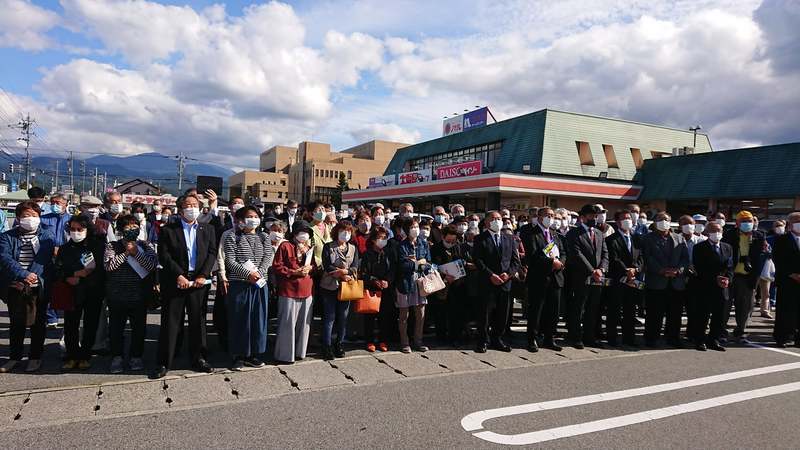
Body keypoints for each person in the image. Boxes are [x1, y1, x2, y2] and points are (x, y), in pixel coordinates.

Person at [155, 194, 218, 378]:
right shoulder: (168, 230)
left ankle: (199, 358)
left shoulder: (207, 229)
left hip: (199, 282)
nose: (192, 208)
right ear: (180, 210)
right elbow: (164, 255)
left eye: (195, 205)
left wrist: (203, 274)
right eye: (187, 205)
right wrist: (179, 275)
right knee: (171, 322)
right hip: (176, 281)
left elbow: (212, 253)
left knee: (198, 321)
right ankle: (164, 361)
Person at [0, 201, 56, 373]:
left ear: (39, 217)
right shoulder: (7, 236)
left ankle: (35, 357)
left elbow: (43, 259)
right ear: (18, 218)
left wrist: (32, 276)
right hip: (16, 285)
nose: (30, 219)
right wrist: (23, 275)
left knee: (38, 323)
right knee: (16, 324)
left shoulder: (47, 235)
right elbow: (5, 258)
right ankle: (14, 357)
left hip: (39, 285)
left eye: (34, 215)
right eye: (26, 216)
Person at [104, 214, 158, 373]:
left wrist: (136, 253)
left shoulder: (145, 245)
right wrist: (126, 253)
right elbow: (109, 266)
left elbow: (152, 265)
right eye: (128, 227)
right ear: (121, 229)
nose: (132, 229)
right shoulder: (112, 246)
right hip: (117, 295)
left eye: (135, 226)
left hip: (139, 295)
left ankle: (136, 356)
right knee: (116, 329)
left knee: (139, 329)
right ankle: (117, 357)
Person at [223, 206, 273, 370]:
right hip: (240, 284)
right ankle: (238, 355)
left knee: (258, 319)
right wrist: (247, 274)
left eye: (256, 216)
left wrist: (258, 274)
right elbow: (230, 261)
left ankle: (254, 354)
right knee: (239, 319)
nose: (253, 219)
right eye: (249, 216)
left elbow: (268, 258)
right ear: (240, 220)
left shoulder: (264, 237)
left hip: (259, 284)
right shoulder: (232, 237)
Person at [57, 214, 105, 370]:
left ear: (87, 229)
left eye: (80, 229)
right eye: (73, 229)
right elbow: (58, 269)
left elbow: (100, 270)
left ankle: (85, 355)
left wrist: (84, 277)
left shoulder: (97, 246)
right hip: (71, 290)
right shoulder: (65, 248)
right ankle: (72, 355)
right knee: (70, 325)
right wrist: (71, 275)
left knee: (91, 324)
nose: (76, 232)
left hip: (92, 291)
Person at [472, 210, 520, 353]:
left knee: (502, 313)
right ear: (486, 222)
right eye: (493, 219)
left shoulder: (509, 238)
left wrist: (508, 274)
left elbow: (515, 261)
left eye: (499, 219)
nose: (497, 221)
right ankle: (483, 340)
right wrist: (491, 275)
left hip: (505, 282)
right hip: (487, 281)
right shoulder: (480, 239)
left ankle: (497, 339)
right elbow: (478, 260)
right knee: (485, 313)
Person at [642, 212, 690, 347]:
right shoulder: (648, 238)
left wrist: (678, 270)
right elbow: (647, 257)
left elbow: (685, 259)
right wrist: (661, 270)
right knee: (654, 312)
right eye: (660, 219)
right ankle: (651, 338)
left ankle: (673, 338)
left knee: (675, 313)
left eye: (666, 219)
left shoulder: (679, 238)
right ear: (655, 222)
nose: (664, 222)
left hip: (676, 282)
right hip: (656, 281)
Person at [522, 207, 566, 352]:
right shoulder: (531, 233)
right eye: (548, 215)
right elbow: (533, 255)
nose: (550, 218)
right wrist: (551, 262)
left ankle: (549, 338)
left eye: (552, 215)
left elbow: (563, 252)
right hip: (538, 278)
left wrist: (560, 263)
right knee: (536, 310)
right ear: (540, 217)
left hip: (556, 277)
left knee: (553, 311)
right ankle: (532, 339)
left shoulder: (555, 234)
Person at [565, 204, 608, 349]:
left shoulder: (599, 233)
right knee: (579, 307)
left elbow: (605, 253)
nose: (594, 219)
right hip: (581, 276)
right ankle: (575, 336)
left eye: (596, 216)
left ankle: (589, 336)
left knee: (593, 308)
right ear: (583, 217)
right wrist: (592, 271)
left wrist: (601, 269)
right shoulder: (574, 233)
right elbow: (576, 254)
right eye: (591, 216)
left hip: (597, 277)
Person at [272, 221, 315, 363]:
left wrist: (310, 268)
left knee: (304, 325)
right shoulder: (285, 246)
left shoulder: (309, 247)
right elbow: (277, 266)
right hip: (289, 289)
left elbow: (314, 266)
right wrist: (294, 272)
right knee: (287, 324)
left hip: (306, 289)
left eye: (307, 232)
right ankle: (284, 355)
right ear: (295, 233)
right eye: (301, 231)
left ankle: (300, 352)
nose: (304, 235)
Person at [721, 210, 767, 344]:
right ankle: (721, 331)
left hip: (747, 277)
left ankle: (740, 332)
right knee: (725, 305)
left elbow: (761, 257)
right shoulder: (729, 235)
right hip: (731, 275)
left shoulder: (759, 236)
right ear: (737, 223)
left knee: (745, 307)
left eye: (749, 221)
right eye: (744, 221)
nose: (747, 223)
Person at [318, 222, 359, 359]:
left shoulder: (353, 248)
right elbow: (327, 265)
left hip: (347, 287)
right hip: (330, 285)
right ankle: (327, 345)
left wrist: (346, 272)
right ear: (337, 231)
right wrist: (341, 274)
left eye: (348, 231)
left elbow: (355, 266)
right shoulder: (328, 246)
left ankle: (339, 343)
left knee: (343, 317)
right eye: (343, 230)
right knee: (329, 317)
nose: (346, 233)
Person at [691, 222, 732, 351]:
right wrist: (715, 278)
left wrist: (728, 279)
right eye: (714, 231)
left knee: (719, 315)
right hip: (705, 286)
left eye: (719, 231)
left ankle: (714, 340)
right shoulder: (699, 247)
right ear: (707, 233)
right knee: (703, 315)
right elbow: (699, 268)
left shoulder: (727, 247)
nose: (717, 234)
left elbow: (730, 266)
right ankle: (700, 340)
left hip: (722, 288)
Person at [606, 210, 643, 347]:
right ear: (617, 222)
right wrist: (626, 270)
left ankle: (629, 339)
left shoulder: (637, 238)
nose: (628, 220)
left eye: (629, 218)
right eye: (624, 218)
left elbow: (641, 257)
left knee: (630, 310)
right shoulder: (611, 239)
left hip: (633, 280)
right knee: (614, 310)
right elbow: (614, 258)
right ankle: (612, 338)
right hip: (618, 279)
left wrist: (636, 269)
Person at [395, 217, 432, 353]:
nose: (415, 230)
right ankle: (404, 342)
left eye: (416, 227)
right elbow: (402, 265)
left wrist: (418, 264)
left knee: (420, 313)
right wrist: (417, 263)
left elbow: (428, 262)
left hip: (420, 281)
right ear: (406, 230)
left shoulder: (423, 244)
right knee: (404, 315)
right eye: (412, 227)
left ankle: (418, 341)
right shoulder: (401, 246)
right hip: (405, 282)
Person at [360, 226, 394, 352]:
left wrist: (388, 281)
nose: (383, 240)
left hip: (385, 289)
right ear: (374, 239)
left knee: (384, 317)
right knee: (370, 317)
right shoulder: (367, 254)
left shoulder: (388, 253)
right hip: (371, 289)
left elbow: (393, 270)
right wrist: (374, 280)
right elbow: (364, 273)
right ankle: (369, 341)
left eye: (385, 238)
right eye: (380, 238)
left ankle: (383, 340)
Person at [431, 226, 466, 345]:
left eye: (453, 241)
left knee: (455, 312)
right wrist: (444, 276)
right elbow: (433, 266)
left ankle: (455, 336)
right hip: (441, 285)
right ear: (443, 237)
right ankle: (441, 336)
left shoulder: (458, 247)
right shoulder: (435, 248)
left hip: (456, 285)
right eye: (448, 241)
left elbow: (462, 262)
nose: (450, 243)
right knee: (440, 312)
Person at [41, 192, 72, 328]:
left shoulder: (72, 220)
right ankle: (51, 317)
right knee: (48, 286)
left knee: (65, 286)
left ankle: (66, 314)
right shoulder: (43, 219)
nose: (54, 205)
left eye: (57, 203)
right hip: (47, 257)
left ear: (66, 204)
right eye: (52, 203)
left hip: (66, 257)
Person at [772, 213, 800, 347]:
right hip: (786, 280)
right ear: (790, 224)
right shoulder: (782, 239)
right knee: (785, 310)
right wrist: (791, 273)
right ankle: (782, 337)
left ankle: (798, 338)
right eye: (797, 221)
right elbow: (778, 259)